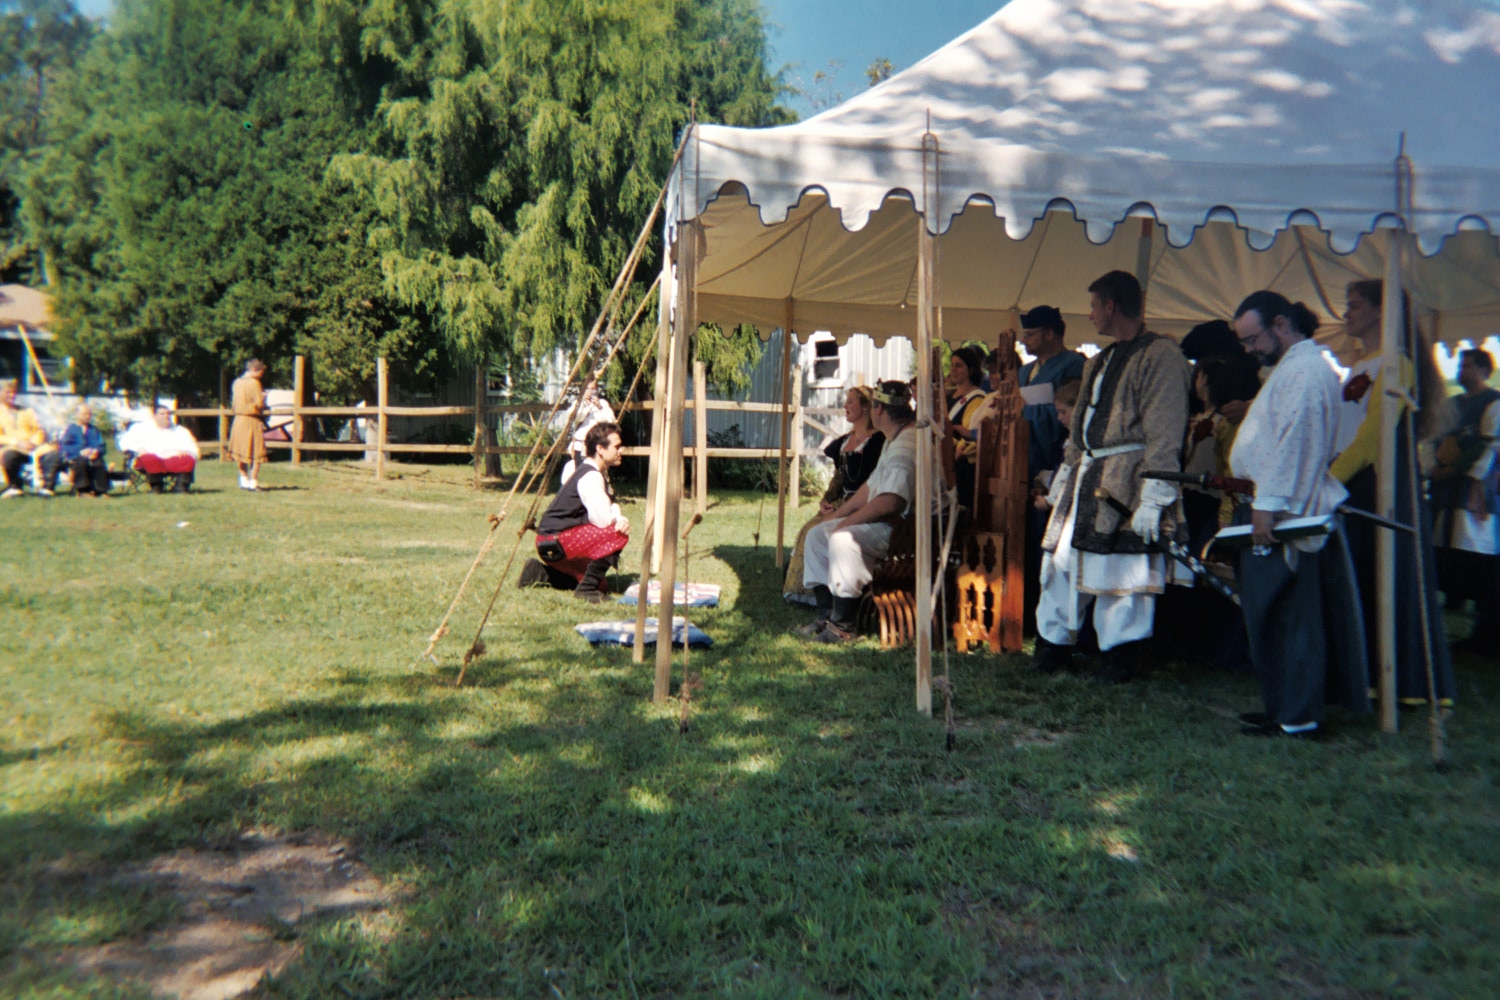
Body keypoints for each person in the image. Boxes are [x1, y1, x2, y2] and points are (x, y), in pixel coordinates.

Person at [1033, 270, 1192, 683]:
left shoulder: (1161, 356)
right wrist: (1064, 477)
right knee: (1062, 562)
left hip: (1127, 479)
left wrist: (1155, 494)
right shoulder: (1099, 361)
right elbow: (1079, 427)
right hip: (1087, 476)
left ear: (1110, 306)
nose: (1089, 315)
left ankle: (1122, 657)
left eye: (1093, 306)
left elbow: (1165, 429)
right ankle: (1054, 647)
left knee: (1122, 571)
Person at [1228, 291, 1369, 738]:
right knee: (1272, 613)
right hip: (1273, 503)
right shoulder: (1293, 368)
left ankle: (1298, 716)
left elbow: (1295, 445)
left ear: (1281, 325)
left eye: (1252, 339)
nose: (1249, 350)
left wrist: (1268, 506)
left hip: (1286, 509)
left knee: (1290, 614)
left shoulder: (1307, 371)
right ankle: (1284, 707)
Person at [1328, 281, 1456, 706]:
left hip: (1376, 482)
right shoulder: (1358, 364)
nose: (1346, 314)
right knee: (1360, 576)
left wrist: (1329, 479)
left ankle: (1402, 680)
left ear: (1382, 311)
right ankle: (1362, 675)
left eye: (1354, 305)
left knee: (1388, 576)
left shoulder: (1396, 364)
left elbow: (1372, 438)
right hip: (1351, 482)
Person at [797, 380, 919, 644]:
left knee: (844, 539)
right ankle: (826, 616)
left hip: (907, 531)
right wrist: (835, 518)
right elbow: (870, 488)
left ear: (879, 409)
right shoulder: (894, 438)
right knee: (817, 534)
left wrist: (846, 523)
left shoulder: (907, 443)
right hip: (893, 524)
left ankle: (843, 627)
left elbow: (891, 502)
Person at [784, 386, 885, 604]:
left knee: (822, 533)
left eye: (851, 401)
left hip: (865, 503)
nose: (845, 406)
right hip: (841, 502)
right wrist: (827, 500)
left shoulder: (879, 442)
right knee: (809, 530)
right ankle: (810, 593)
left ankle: (831, 594)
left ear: (865, 407)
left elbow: (876, 482)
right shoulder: (845, 441)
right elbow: (838, 478)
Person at [1432, 348, 1499, 653]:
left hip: (1475, 490)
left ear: (1485, 370)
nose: (1462, 370)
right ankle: (1451, 597)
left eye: (1469, 366)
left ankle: (1481, 620)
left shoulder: (1494, 402)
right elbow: (1435, 437)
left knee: (1473, 547)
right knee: (1446, 545)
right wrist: (1434, 466)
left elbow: (1490, 445)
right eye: (1461, 365)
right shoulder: (1452, 404)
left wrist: (1457, 470)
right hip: (1446, 491)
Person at [519, 421, 631, 602]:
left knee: (601, 585)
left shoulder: (590, 471)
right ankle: (586, 590)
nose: (621, 450)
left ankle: (541, 572)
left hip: (549, 542)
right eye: (617, 446)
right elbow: (603, 521)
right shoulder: (591, 476)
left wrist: (617, 515)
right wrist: (620, 520)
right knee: (617, 533)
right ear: (600, 449)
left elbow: (607, 509)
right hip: (555, 541)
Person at [0, 379, 60, 498]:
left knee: (52, 454)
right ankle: (15, 486)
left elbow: (39, 429)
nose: (11, 395)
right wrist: (17, 442)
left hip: (33, 447)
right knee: (9, 456)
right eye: (7, 392)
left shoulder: (26, 411)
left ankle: (47, 487)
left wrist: (34, 442)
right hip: (13, 447)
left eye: (13, 392)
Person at [120, 405, 200, 493]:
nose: (166, 416)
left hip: (173, 459)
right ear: (154, 416)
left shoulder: (180, 430)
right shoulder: (140, 428)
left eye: (168, 414)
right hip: (150, 460)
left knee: (188, 459)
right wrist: (138, 449)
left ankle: (181, 487)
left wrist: (186, 451)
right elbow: (125, 442)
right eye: (162, 414)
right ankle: (156, 486)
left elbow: (191, 445)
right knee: (149, 459)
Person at [944, 346, 988, 505]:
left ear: (971, 370)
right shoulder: (949, 397)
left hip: (961, 466)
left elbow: (969, 436)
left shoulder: (976, 399)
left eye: (959, 365)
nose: (953, 370)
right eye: (952, 365)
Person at [560, 375, 617, 484]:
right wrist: (583, 404)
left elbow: (611, 422)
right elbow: (574, 418)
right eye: (588, 389)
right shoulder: (578, 404)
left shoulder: (603, 404)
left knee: (597, 474)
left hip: (597, 445)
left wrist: (599, 407)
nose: (591, 391)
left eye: (593, 388)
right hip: (581, 444)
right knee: (581, 474)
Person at [229, 360, 269, 491]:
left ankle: (244, 480)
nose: (261, 376)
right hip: (251, 420)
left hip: (238, 420)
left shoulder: (236, 382)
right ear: (255, 370)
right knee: (257, 452)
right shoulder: (254, 383)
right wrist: (263, 397)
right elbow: (259, 403)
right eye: (261, 373)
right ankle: (253, 483)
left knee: (240, 451)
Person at [57, 405, 110, 497]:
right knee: (80, 462)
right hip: (75, 456)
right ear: (77, 415)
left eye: (89, 414)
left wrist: (96, 451)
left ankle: (100, 491)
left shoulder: (93, 430)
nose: (88, 416)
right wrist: (80, 452)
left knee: (98, 462)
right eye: (84, 414)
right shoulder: (71, 429)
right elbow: (64, 446)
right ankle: (83, 490)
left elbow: (101, 445)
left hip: (91, 456)